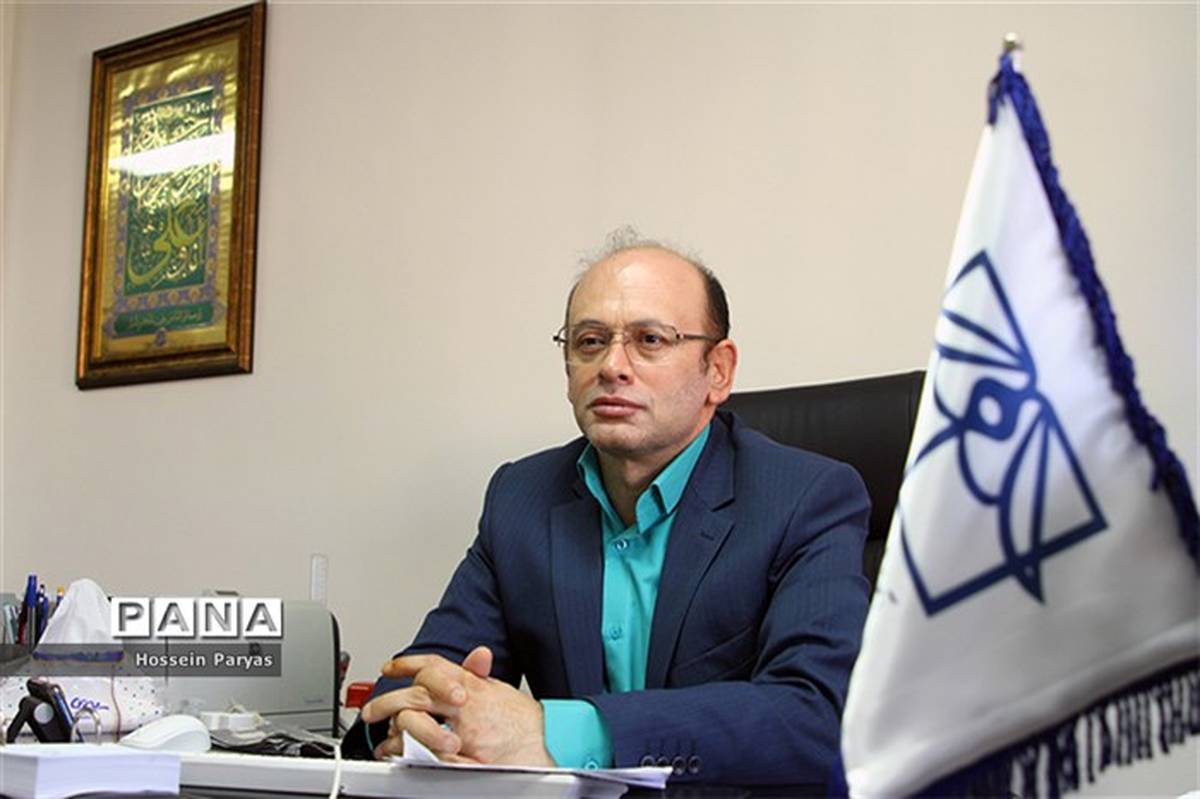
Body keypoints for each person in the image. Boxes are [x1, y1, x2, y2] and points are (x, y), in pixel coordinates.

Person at [343, 233, 871, 787]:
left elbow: (815, 715)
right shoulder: (521, 497)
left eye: (650, 340)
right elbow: (422, 674)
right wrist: (416, 723)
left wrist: (553, 731)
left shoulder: (806, 497)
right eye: (590, 341)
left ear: (718, 370)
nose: (612, 366)